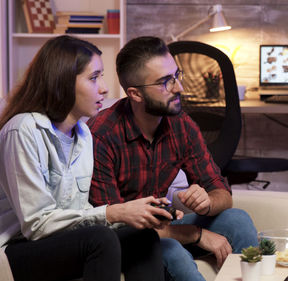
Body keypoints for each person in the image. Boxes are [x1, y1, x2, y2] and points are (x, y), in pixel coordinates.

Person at [0, 35, 179, 281]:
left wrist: (141, 214)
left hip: (61, 243)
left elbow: (78, 213)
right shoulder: (23, 130)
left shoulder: (84, 135)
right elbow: (37, 225)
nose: (104, 87)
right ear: (62, 81)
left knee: (141, 236)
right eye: (94, 78)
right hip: (16, 249)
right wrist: (114, 213)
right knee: (100, 238)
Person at [87, 36, 258, 281]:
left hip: (160, 228)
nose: (180, 88)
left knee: (237, 220)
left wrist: (207, 202)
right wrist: (196, 234)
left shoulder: (181, 125)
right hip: (124, 240)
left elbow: (222, 192)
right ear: (135, 94)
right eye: (165, 82)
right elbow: (114, 226)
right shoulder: (101, 135)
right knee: (172, 250)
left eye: (177, 75)